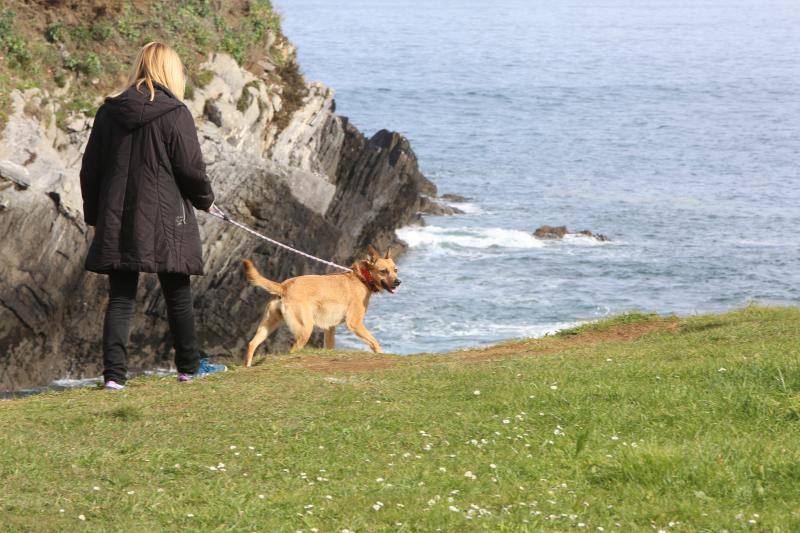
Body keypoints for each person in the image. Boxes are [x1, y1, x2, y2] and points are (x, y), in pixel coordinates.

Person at [79, 42, 226, 390]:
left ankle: (114, 378)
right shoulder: (175, 113)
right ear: (170, 71)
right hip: (167, 217)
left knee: (121, 296)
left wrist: (94, 215)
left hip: (118, 215)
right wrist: (206, 200)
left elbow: (90, 170)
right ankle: (189, 368)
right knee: (177, 291)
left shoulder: (108, 112)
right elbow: (191, 168)